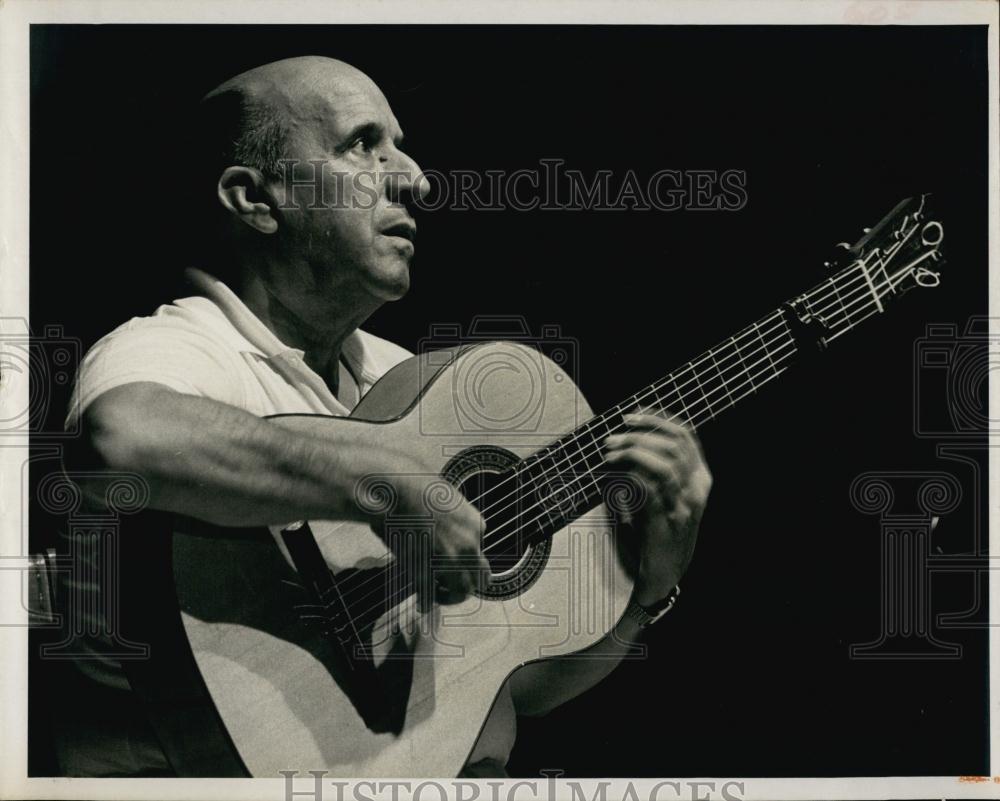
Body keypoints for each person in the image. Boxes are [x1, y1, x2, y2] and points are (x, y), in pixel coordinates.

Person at [59, 55, 712, 778]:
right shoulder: (177, 344)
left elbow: (512, 691)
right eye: (363, 145)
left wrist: (646, 594)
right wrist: (387, 478)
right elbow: (122, 438)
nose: (415, 177)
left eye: (398, 144)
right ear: (254, 198)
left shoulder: (404, 378)